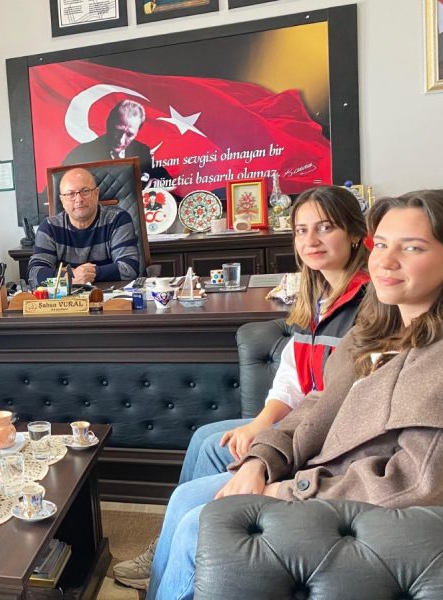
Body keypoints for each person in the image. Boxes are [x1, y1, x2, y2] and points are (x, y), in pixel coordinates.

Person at [148, 189, 443, 600]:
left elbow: (410, 484)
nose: (386, 261)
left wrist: (286, 489)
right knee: (186, 499)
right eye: (382, 244)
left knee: (196, 525)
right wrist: (260, 459)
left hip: (351, 508)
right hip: (314, 473)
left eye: (411, 248)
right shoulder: (376, 329)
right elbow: (318, 402)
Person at [113, 185, 370, 590]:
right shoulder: (316, 295)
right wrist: (260, 423)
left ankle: (182, 555)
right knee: (206, 439)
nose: (311, 240)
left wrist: (264, 438)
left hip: (321, 440)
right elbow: (291, 379)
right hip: (299, 424)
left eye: (325, 228)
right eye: (301, 230)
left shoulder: (371, 305)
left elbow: (336, 405)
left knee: (190, 499)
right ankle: (169, 550)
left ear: (355, 233)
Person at [27, 167, 141, 286]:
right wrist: (68, 277)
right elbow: (34, 275)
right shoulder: (49, 227)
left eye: (85, 191)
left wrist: (86, 274)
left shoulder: (117, 219)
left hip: (111, 295)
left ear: (96, 193)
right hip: (67, 297)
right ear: (62, 200)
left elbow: (129, 269)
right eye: (71, 194)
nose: (79, 199)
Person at [62, 99, 170, 184]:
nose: (121, 140)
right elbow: (58, 189)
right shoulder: (81, 154)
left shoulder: (141, 151)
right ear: (108, 124)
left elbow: (166, 181)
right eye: (118, 130)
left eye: (129, 134)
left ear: (137, 132)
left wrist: (154, 182)